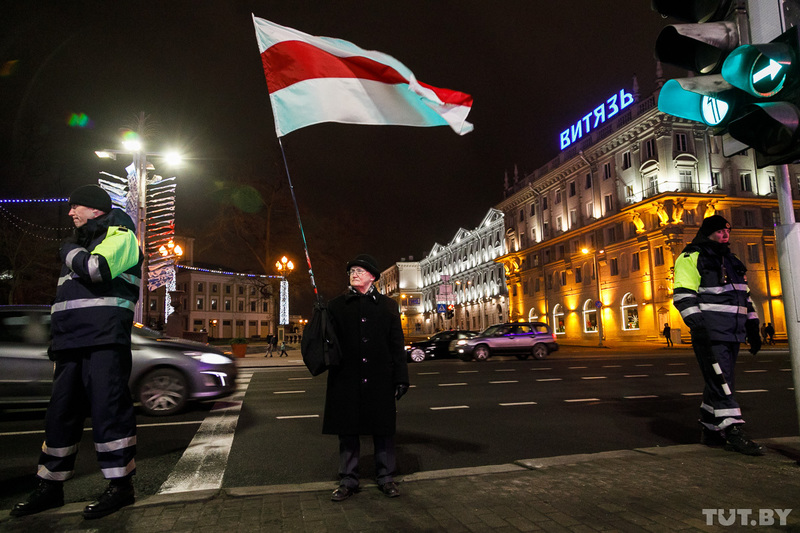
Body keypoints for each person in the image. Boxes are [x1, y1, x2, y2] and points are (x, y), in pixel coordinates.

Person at [11, 185, 143, 519]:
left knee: (108, 412)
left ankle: (120, 487)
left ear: (95, 208)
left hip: (104, 340)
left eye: (76, 207)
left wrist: (68, 250)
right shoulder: (80, 243)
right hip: (70, 342)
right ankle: (50, 486)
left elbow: (96, 270)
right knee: (60, 415)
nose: (71, 213)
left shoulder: (122, 235)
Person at [673, 215, 763, 456]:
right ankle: (733, 430)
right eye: (720, 231)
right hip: (711, 331)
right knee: (722, 382)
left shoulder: (731, 260)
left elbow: (744, 296)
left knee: (720, 381)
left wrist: (753, 327)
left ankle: (711, 429)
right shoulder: (691, 256)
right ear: (708, 232)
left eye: (728, 231)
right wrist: (698, 326)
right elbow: (683, 295)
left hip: (732, 332)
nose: (725, 235)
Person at [323, 254, 409, 501]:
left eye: (360, 270)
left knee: (382, 429)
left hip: (380, 377)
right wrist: (320, 317)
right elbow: (326, 342)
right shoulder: (336, 306)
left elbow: (396, 345)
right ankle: (348, 479)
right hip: (346, 378)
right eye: (352, 270)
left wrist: (401, 378)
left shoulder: (388, 306)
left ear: (373, 276)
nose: (354, 273)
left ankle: (386, 477)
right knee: (348, 430)